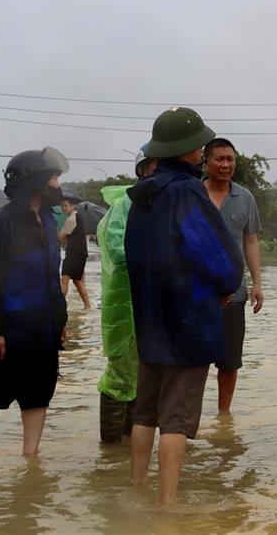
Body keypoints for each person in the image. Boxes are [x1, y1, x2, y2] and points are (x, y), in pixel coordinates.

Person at [125, 107, 242, 505]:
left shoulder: (141, 196)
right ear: (190, 150)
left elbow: (135, 257)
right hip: (187, 320)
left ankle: (136, 490)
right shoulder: (187, 191)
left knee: (145, 412)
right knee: (175, 419)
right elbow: (213, 250)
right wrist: (226, 283)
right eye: (200, 145)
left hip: (150, 318)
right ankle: (167, 508)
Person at [0, 147, 70, 459]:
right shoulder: (1, 222)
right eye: (53, 177)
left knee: (38, 394)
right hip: (9, 330)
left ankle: (31, 460)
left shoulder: (49, 221)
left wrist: (59, 322)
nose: (57, 184)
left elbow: (51, 276)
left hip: (43, 327)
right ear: (36, 181)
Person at [96, 148, 158, 444]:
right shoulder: (124, 205)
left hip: (151, 305)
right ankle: (110, 453)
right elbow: (121, 252)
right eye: (156, 167)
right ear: (143, 170)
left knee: (142, 378)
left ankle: (126, 453)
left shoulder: (161, 203)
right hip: (126, 305)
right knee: (121, 375)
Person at [202, 138, 264, 415]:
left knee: (229, 361)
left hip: (234, 293)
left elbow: (250, 241)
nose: (226, 165)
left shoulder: (245, 197)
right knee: (194, 359)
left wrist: (257, 284)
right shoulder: (192, 194)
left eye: (230, 159)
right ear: (206, 162)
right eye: (220, 159)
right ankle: (189, 415)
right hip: (195, 294)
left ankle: (223, 416)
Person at [58, 195, 92, 309]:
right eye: (62, 206)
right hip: (80, 253)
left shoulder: (71, 219)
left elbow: (61, 237)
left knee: (65, 279)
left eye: (66, 206)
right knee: (77, 281)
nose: (63, 208)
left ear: (72, 206)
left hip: (74, 254)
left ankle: (59, 307)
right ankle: (87, 306)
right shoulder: (77, 216)